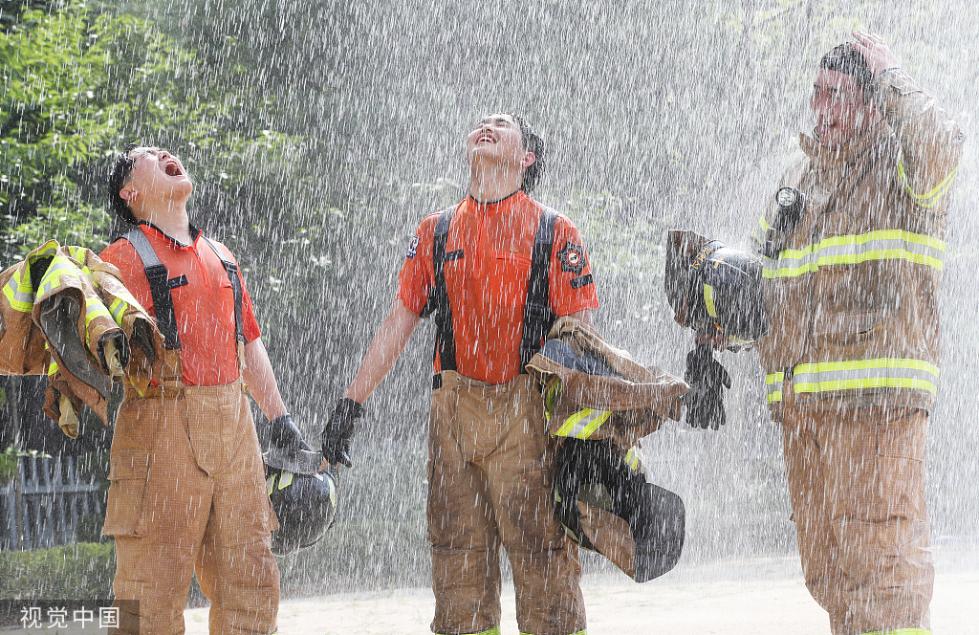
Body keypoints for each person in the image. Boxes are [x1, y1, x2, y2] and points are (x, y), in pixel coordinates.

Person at [320, 114, 598, 635]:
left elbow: (579, 337)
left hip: (530, 417)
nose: (487, 125)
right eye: (483, 122)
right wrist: (349, 404)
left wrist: (585, 435)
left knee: (546, 569)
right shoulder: (436, 230)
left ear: (527, 157)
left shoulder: (554, 231)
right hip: (451, 420)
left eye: (503, 124)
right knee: (456, 568)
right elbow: (398, 324)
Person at [752, 32, 963, 635]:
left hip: (878, 405)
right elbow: (770, 282)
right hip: (804, 410)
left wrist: (892, 73)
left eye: (839, 96)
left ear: (874, 105)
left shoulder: (902, 166)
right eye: (817, 95)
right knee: (832, 576)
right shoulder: (799, 180)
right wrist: (719, 305)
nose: (823, 109)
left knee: (885, 579)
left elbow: (941, 142)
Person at [100, 145, 306, 634]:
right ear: (131, 193)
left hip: (236, 430)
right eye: (148, 156)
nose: (165, 153)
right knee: (149, 593)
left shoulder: (223, 257)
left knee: (250, 583)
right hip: (159, 428)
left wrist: (280, 420)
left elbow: (248, 341)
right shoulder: (118, 260)